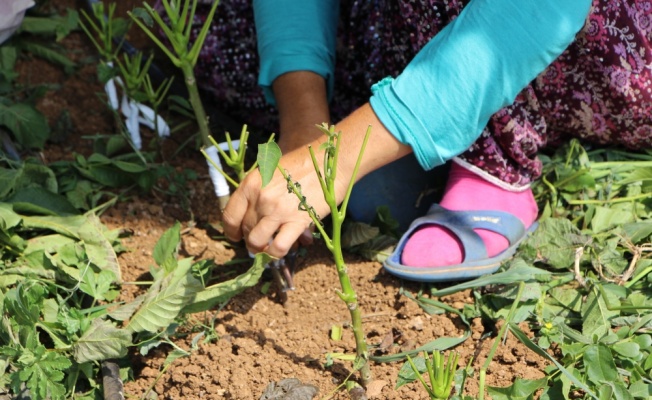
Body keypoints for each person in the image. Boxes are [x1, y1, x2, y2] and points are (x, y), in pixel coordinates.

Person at [192, 0, 652, 281]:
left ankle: (488, 165)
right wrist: (303, 121)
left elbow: (541, 8)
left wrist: (331, 160)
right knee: (217, 34)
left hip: (582, 29)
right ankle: (405, 118)